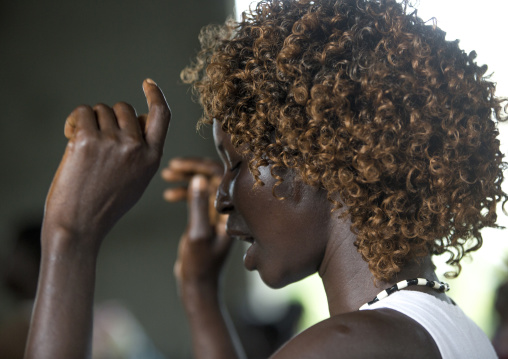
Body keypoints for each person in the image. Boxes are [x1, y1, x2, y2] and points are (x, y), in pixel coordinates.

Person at [24, 0, 506, 358]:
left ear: (318, 155)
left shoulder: (348, 346)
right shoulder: (451, 331)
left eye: (235, 164)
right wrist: (200, 292)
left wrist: (70, 237)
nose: (221, 195)